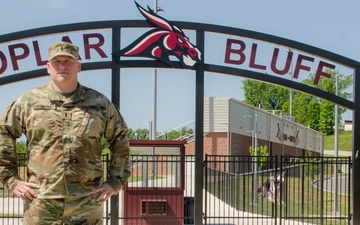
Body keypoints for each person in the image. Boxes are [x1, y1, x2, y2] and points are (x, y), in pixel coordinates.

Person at [0, 41, 131, 224]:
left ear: (78, 66)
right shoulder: (29, 102)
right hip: (41, 203)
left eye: (68, 61)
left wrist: (115, 181)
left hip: (86, 203)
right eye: (57, 61)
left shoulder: (99, 103)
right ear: (48, 67)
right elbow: (3, 132)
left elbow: (119, 139)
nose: (62, 66)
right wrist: (11, 180)